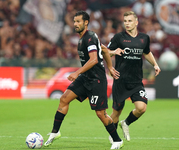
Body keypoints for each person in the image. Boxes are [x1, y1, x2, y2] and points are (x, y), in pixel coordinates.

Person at [44, 10, 124, 149]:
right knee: (64, 99)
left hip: (96, 80)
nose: (75, 24)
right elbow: (104, 50)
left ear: (86, 22)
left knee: (100, 113)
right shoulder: (83, 38)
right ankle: (54, 132)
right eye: (74, 21)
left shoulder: (90, 37)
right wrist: (110, 67)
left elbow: (93, 60)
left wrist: (77, 72)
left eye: (78, 21)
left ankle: (117, 140)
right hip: (85, 78)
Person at [107, 11, 161, 143]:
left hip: (136, 81)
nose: (127, 23)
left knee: (142, 108)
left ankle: (126, 123)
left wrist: (155, 64)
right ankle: (115, 138)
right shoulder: (118, 37)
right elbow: (106, 51)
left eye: (130, 21)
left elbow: (146, 52)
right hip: (120, 80)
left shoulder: (144, 38)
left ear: (136, 22)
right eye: (125, 21)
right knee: (116, 113)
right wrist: (110, 67)